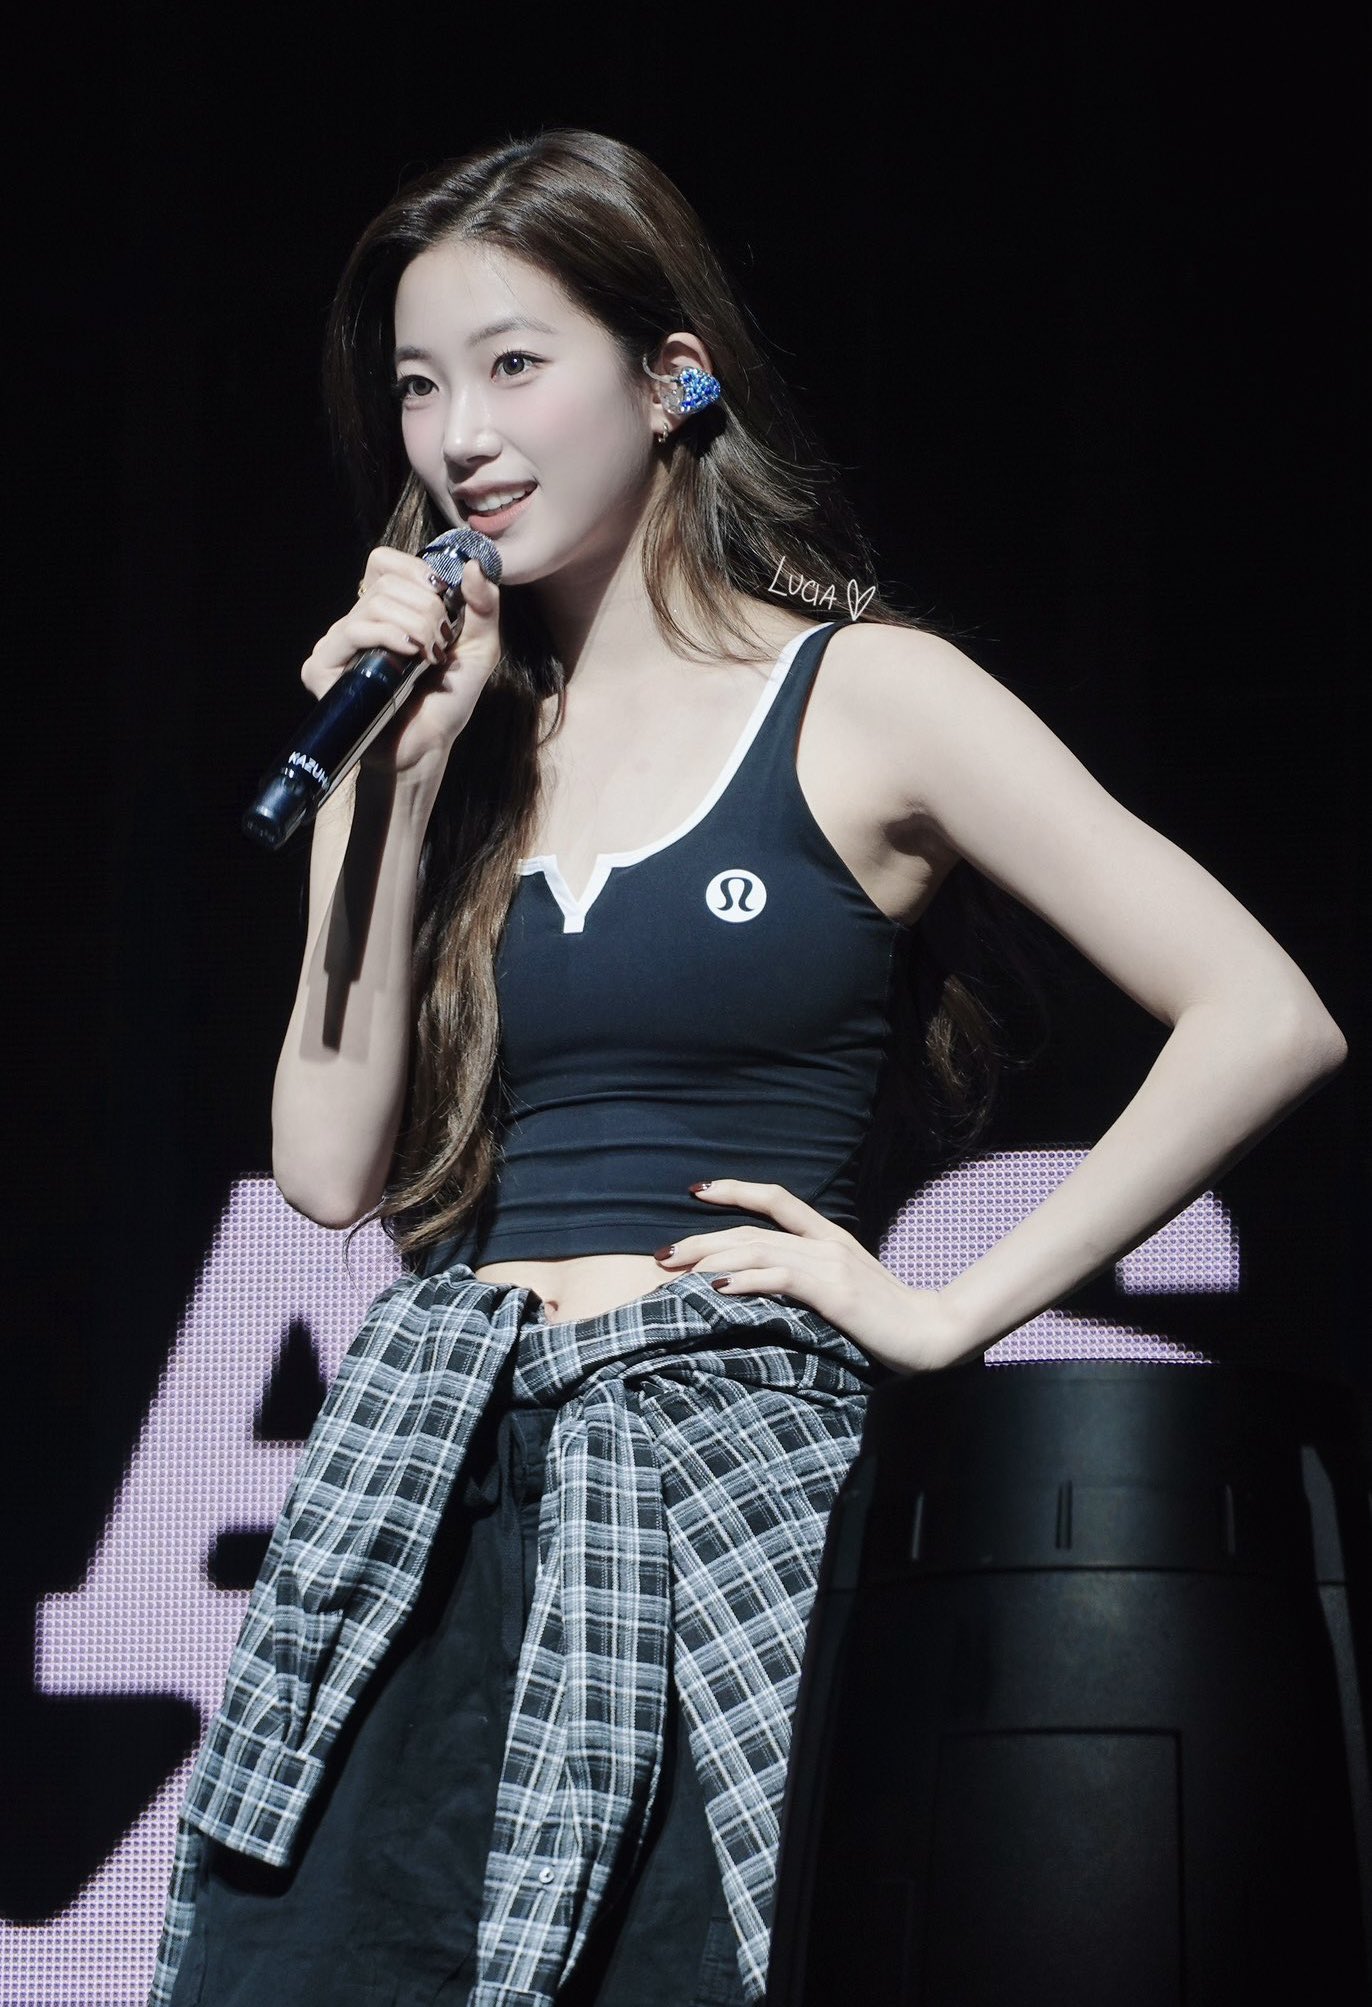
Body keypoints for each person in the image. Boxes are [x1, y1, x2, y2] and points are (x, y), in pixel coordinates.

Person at [149, 129, 1346, 2007]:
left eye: (516, 363)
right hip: (431, 1476)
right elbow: (325, 1166)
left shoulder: (866, 695)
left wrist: (945, 1315)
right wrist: (387, 789)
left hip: (717, 1480)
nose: (462, 434)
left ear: (672, 379)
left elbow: (1264, 1014)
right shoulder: (450, 744)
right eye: (419, 384)